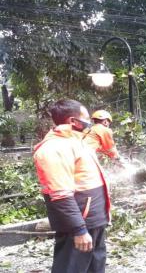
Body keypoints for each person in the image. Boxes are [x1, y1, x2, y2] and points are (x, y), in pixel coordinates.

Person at [33, 99, 110, 273]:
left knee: (95, 267)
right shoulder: (54, 148)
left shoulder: (78, 141)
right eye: (86, 118)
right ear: (73, 121)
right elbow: (60, 195)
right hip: (78, 223)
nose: (90, 122)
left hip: (94, 220)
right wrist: (79, 229)